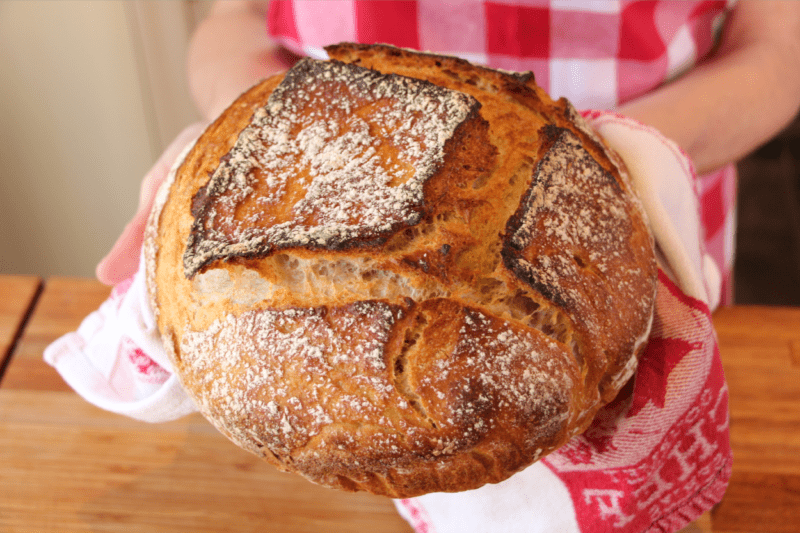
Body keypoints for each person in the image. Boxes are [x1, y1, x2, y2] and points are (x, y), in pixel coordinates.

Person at [96, 0, 800, 308]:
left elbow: (777, 46)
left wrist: (593, 164)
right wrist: (261, 129)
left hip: (635, 230)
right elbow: (237, 19)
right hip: (318, 230)